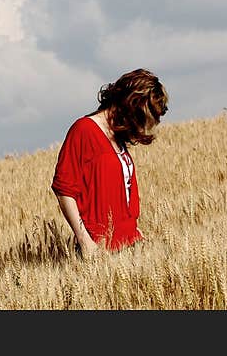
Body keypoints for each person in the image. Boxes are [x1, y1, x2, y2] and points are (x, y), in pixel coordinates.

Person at [51, 68, 169, 256]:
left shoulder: (117, 136)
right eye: (141, 118)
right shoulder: (84, 130)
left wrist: (135, 231)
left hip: (130, 246)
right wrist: (85, 241)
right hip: (100, 249)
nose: (140, 126)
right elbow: (64, 189)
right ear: (132, 104)